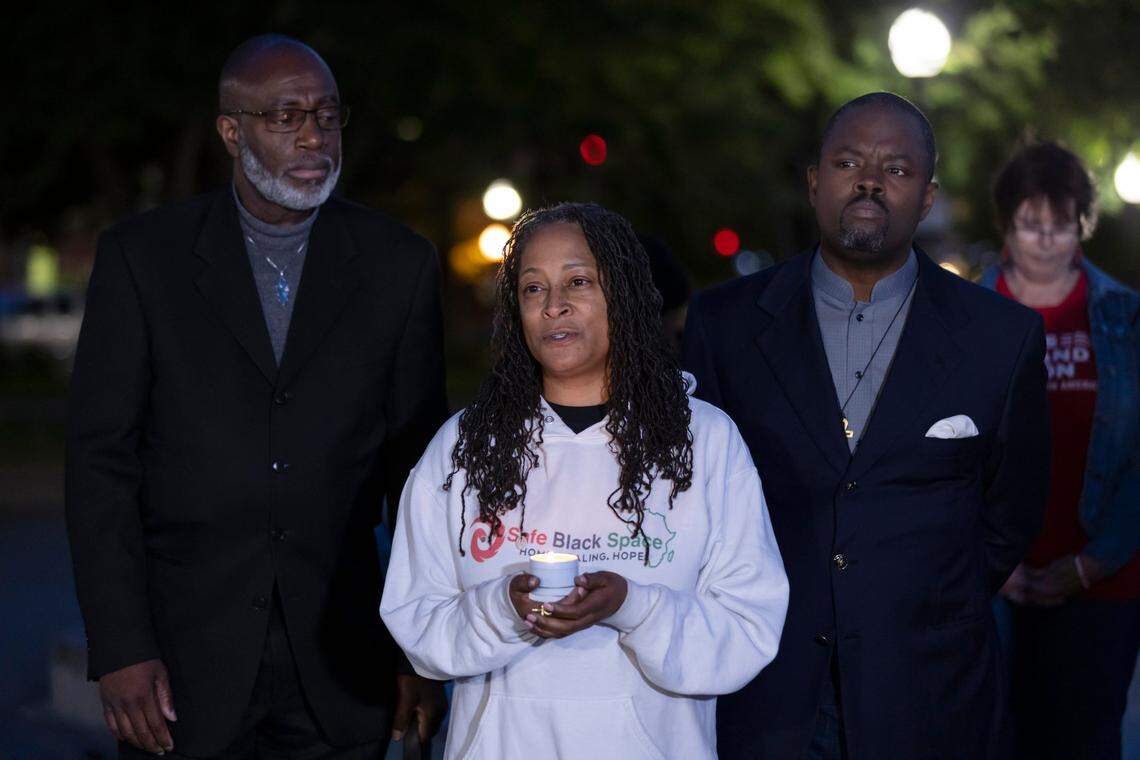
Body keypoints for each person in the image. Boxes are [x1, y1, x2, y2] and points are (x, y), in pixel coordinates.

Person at [66, 34, 448, 758]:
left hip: (345, 665)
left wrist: (417, 654)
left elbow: (419, 478)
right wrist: (119, 647)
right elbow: (100, 466)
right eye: (285, 117)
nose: (313, 136)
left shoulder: (399, 265)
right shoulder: (144, 259)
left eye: (328, 116)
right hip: (181, 667)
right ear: (231, 131)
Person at [683, 92, 1051, 759]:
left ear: (928, 195)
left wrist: (924, 597)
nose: (870, 180)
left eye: (897, 169)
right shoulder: (724, 325)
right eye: (849, 161)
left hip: (931, 692)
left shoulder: (1004, 337)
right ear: (815, 181)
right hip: (766, 690)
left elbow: (1014, 505)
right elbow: (691, 496)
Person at [380, 202, 789, 759]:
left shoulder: (705, 441)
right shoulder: (464, 446)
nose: (554, 307)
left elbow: (747, 629)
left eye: (578, 281)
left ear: (620, 294)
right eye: (532, 289)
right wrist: (503, 608)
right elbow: (417, 621)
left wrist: (630, 605)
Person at [981, 141, 1140, 760]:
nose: (1045, 241)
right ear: (1006, 225)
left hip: (1104, 580)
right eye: (1030, 225)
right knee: (998, 739)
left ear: (1083, 225)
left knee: (1086, 741)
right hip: (995, 584)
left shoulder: (1124, 317)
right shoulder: (968, 317)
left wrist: (1093, 563)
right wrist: (991, 561)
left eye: (1060, 226)